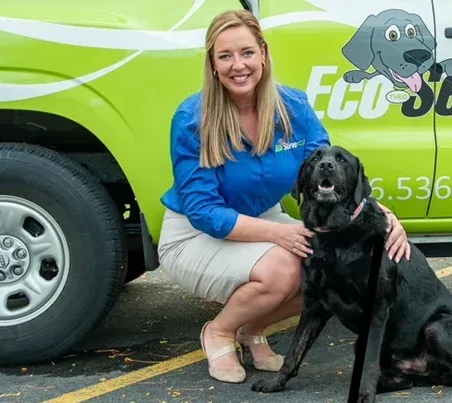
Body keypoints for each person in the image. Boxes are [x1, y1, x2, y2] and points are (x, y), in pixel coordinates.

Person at [156, 9, 412, 384]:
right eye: (224, 56)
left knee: (323, 263)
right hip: (194, 234)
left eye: (246, 53)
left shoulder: (292, 106)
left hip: (263, 215)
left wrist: (383, 215)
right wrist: (278, 234)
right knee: (285, 267)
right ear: (212, 64)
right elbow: (204, 212)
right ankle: (219, 332)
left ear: (263, 54)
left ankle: (251, 328)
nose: (237, 65)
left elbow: (332, 173)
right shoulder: (193, 118)